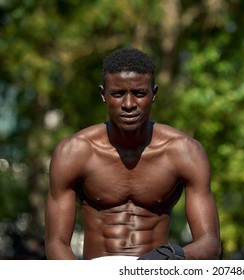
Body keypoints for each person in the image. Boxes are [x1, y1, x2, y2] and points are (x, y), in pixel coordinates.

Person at [44, 48, 221, 260]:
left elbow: (210, 244)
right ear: (103, 94)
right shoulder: (74, 152)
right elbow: (56, 243)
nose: (128, 105)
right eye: (118, 94)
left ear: (154, 93)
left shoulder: (184, 152)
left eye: (139, 93)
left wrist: (169, 257)